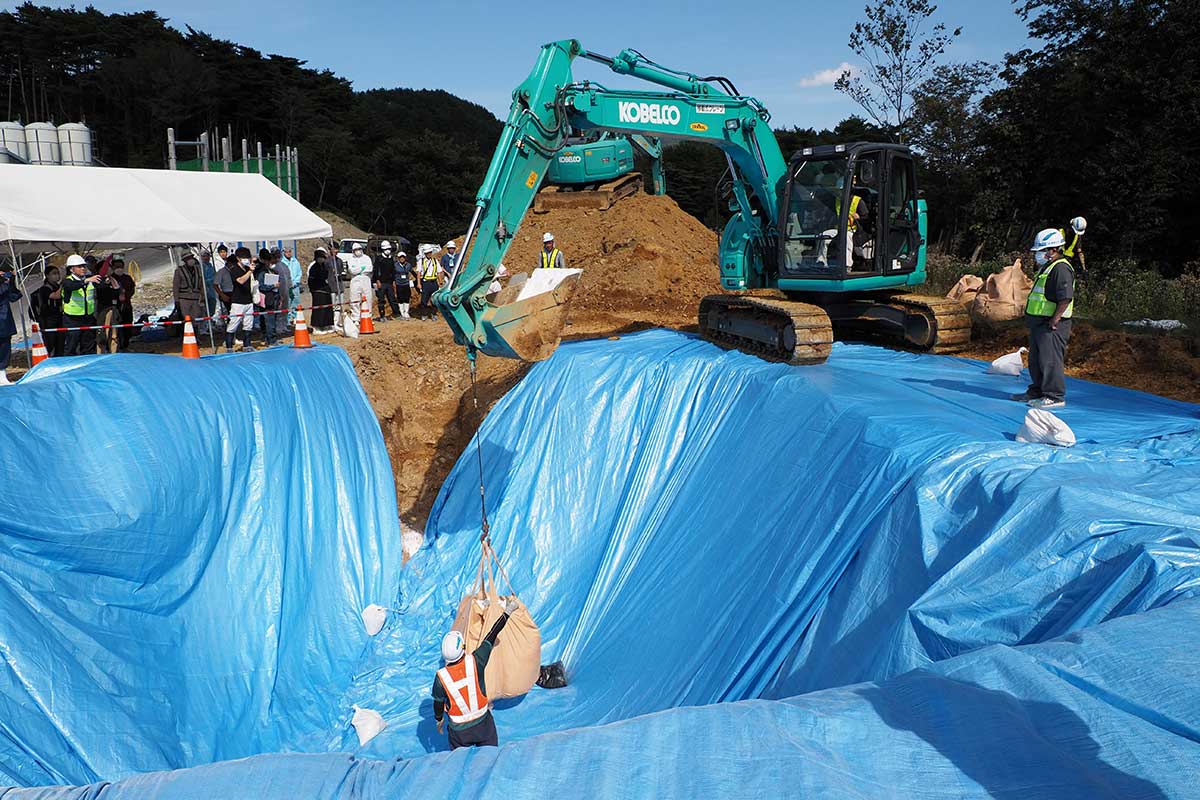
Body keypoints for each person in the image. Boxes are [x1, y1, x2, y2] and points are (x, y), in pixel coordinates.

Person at [432, 598, 517, 750]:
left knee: (459, 762)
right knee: (490, 756)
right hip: (483, 725)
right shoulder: (476, 661)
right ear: (463, 648)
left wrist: (439, 720)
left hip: (459, 732)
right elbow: (492, 633)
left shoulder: (441, 677)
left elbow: (438, 704)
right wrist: (509, 610)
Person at [1013, 228, 1075, 409]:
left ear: (1053, 250)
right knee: (1036, 360)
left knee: (1050, 360)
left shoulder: (1061, 268)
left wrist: (1055, 319)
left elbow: (1065, 298)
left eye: (1041, 251)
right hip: (1039, 323)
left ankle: (1054, 396)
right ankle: (1037, 391)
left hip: (1052, 324)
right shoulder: (1048, 266)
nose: (1038, 255)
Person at [61, 254, 100, 356]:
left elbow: (101, 285)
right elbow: (72, 286)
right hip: (72, 319)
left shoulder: (89, 279)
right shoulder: (67, 281)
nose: (83, 268)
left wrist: (107, 281)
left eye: (84, 266)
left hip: (88, 318)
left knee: (89, 346)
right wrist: (86, 281)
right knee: (71, 346)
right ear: (71, 269)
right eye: (79, 266)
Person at [224, 247, 257, 352]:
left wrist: (251, 268)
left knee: (248, 325)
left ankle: (247, 345)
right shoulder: (234, 269)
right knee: (233, 324)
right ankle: (229, 347)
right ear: (238, 258)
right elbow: (241, 281)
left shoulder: (248, 268)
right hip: (237, 302)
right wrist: (250, 272)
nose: (246, 260)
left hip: (248, 300)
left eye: (248, 257)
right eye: (244, 258)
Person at [29, 265, 64, 357]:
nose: (57, 276)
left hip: (59, 316)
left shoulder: (57, 286)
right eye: (54, 273)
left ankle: (58, 356)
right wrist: (63, 285)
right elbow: (56, 296)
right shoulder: (45, 288)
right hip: (49, 318)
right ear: (47, 275)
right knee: (50, 341)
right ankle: (49, 357)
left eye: (58, 273)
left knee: (60, 341)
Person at [255, 249, 286, 347]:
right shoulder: (261, 271)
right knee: (269, 319)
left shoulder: (270, 270)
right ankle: (271, 339)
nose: (270, 263)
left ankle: (269, 337)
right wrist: (273, 285)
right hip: (267, 297)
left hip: (273, 296)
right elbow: (261, 286)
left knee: (270, 319)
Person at [173, 253, 207, 338]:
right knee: (186, 319)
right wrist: (176, 300)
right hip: (184, 299)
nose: (191, 260)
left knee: (196, 318)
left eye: (192, 257)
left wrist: (202, 296)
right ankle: (186, 337)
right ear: (185, 260)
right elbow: (175, 286)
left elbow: (202, 283)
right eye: (189, 258)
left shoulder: (198, 269)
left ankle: (196, 336)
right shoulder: (179, 271)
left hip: (196, 298)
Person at [0, 263, 23, 380]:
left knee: (4, 348)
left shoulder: (5, 284)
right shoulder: (3, 286)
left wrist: (12, 281)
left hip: (4, 321)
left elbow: (15, 296)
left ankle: (2, 374)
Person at [308, 248, 336, 334]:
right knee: (319, 310)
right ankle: (317, 327)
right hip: (317, 291)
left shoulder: (324, 266)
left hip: (325, 289)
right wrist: (313, 290)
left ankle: (327, 325)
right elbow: (311, 281)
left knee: (327, 309)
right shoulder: (313, 268)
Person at [111, 255, 136, 350]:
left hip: (127, 305)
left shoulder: (127, 278)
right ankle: (117, 345)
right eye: (117, 267)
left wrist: (126, 295)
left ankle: (126, 344)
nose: (119, 269)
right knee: (117, 327)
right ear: (113, 268)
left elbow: (132, 289)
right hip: (115, 307)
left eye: (120, 266)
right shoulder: (111, 278)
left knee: (127, 326)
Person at [372, 240, 400, 320]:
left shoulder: (391, 258)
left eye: (389, 249)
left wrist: (394, 280)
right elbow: (376, 270)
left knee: (392, 298)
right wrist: (377, 280)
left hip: (389, 282)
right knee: (381, 299)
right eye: (386, 249)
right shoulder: (379, 258)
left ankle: (397, 313)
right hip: (381, 282)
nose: (388, 251)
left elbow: (393, 270)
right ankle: (382, 315)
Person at [346, 242, 373, 320]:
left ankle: (368, 317)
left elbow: (369, 269)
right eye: (356, 250)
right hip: (355, 280)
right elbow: (352, 271)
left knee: (368, 298)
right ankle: (355, 318)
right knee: (354, 299)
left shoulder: (367, 258)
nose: (358, 251)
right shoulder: (351, 259)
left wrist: (358, 269)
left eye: (359, 249)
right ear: (353, 251)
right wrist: (362, 268)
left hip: (365, 279)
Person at [417, 244, 442, 318]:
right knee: (424, 299)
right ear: (425, 253)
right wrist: (419, 283)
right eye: (427, 253)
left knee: (434, 299)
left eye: (430, 252)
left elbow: (439, 272)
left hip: (434, 282)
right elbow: (418, 273)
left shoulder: (435, 261)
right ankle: (424, 314)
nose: (429, 254)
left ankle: (433, 314)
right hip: (425, 282)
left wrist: (440, 282)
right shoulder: (421, 261)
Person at [200, 248, 221, 332]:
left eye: (207, 256)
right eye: (204, 256)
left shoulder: (210, 266)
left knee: (212, 308)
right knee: (204, 310)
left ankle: (210, 324)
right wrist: (211, 280)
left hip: (212, 291)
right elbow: (203, 279)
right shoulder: (201, 267)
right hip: (205, 290)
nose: (206, 258)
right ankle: (204, 327)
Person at [282, 246, 303, 326]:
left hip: (295, 286)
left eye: (290, 251)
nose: (288, 253)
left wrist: (295, 282)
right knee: (287, 303)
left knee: (296, 302)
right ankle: (286, 320)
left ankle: (295, 317)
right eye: (287, 252)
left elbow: (299, 273)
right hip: (286, 286)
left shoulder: (295, 261)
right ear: (284, 252)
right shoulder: (282, 262)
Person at [394, 250, 415, 319]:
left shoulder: (408, 265)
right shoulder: (395, 265)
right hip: (399, 284)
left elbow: (412, 272)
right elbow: (392, 274)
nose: (402, 258)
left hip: (406, 283)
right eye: (400, 257)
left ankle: (406, 312)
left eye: (403, 257)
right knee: (400, 298)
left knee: (406, 298)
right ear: (398, 258)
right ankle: (401, 312)